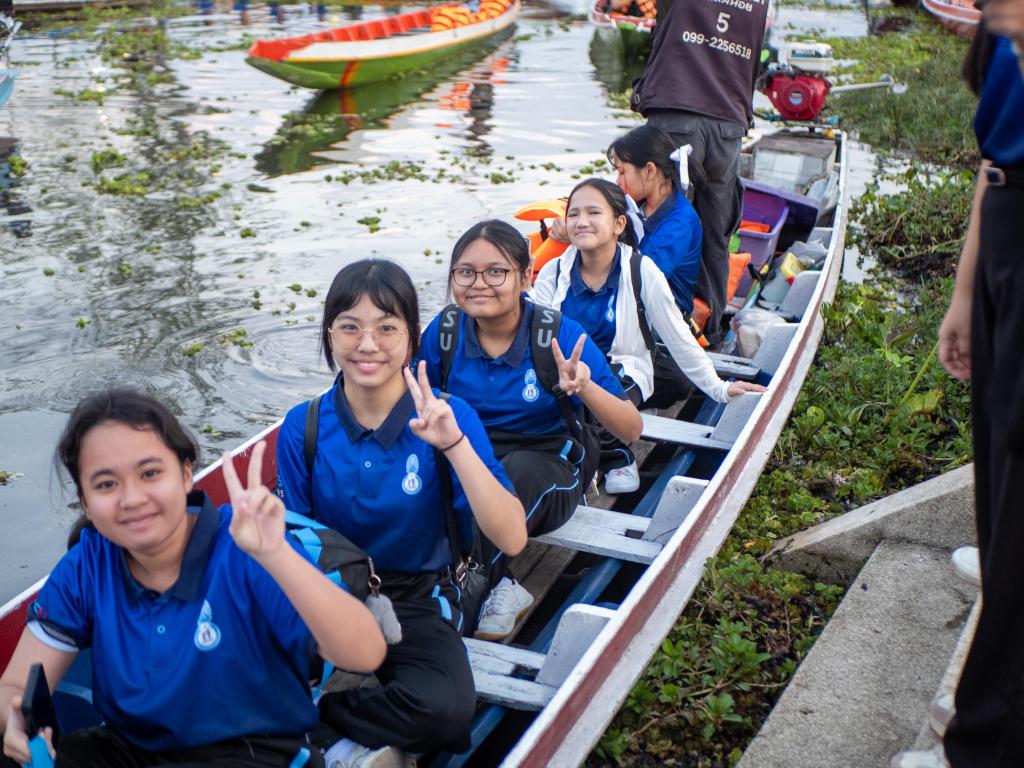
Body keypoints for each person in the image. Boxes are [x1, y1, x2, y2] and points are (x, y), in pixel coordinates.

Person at [0, 389, 386, 768]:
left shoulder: (246, 551)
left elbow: (364, 653)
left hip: (251, 751)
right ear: (85, 501)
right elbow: (15, 687)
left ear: (186, 474)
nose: (132, 498)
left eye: (150, 473)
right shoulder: (87, 565)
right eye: (106, 484)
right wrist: (15, 720)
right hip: (132, 748)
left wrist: (277, 556)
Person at [275, 260, 527, 765]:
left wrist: (452, 444)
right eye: (350, 327)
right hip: (328, 592)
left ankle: (322, 720)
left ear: (412, 336)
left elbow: (512, 538)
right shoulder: (303, 426)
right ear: (329, 334)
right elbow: (295, 541)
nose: (367, 344)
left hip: (417, 596)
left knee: (444, 712)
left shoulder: (450, 416)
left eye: (386, 328)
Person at [893, 4, 1024, 768]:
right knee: (999, 463)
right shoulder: (1001, 34)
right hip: (1006, 224)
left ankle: (986, 738)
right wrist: (965, 292)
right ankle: (992, 693)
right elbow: (992, 162)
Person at [418, 220, 643, 640]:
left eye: (496, 271)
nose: (478, 284)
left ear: (525, 277)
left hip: (546, 465)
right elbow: (412, 404)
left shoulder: (558, 335)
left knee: (515, 474)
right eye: (466, 272)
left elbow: (631, 427)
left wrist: (586, 387)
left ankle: (470, 587)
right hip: (468, 454)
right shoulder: (445, 332)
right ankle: (503, 584)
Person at [531, 178, 764, 494]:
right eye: (573, 214)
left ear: (619, 224)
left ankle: (618, 457)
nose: (581, 222)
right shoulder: (554, 272)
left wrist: (719, 388)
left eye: (593, 213)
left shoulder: (641, 270)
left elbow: (678, 336)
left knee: (593, 398)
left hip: (622, 368)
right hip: (567, 369)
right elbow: (537, 336)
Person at [630, 0, 770, 345]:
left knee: (666, 224)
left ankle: (650, 331)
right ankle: (709, 331)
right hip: (728, 123)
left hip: (677, 115)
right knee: (714, 233)